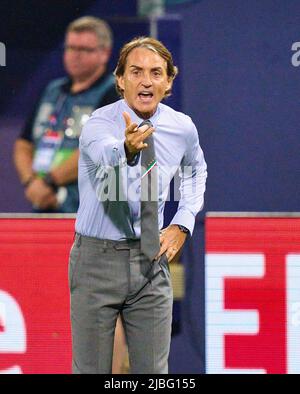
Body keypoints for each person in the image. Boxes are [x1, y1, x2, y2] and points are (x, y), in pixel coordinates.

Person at [69, 36, 207, 374]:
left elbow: (195, 172)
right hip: (96, 263)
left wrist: (182, 222)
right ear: (120, 80)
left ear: (169, 81)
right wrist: (128, 149)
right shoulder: (98, 125)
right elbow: (105, 154)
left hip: (150, 261)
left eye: (156, 72)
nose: (146, 80)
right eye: (136, 72)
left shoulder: (181, 127)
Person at [13, 16, 119, 213]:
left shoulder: (114, 93)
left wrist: (49, 181)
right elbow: (23, 143)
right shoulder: (53, 90)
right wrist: (31, 182)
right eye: (70, 48)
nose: (75, 55)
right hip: (45, 202)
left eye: (84, 49)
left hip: (90, 211)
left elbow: (98, 149)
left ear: (105, 53)